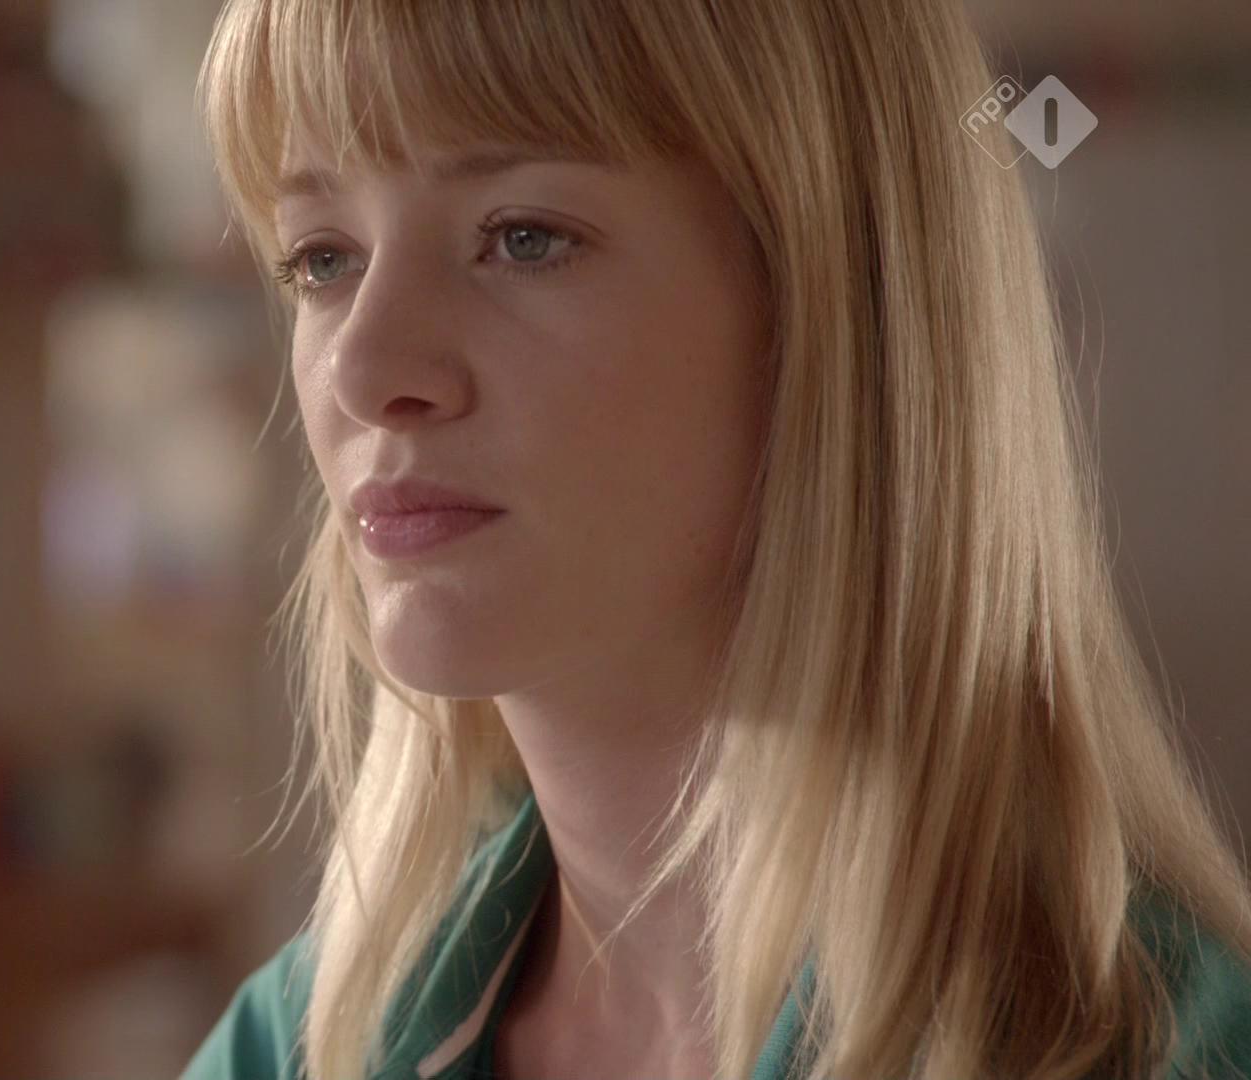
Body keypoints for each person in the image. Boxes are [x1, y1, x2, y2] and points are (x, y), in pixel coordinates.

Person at [182, 2, 1251, 1079]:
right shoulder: (295, 1047)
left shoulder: (1166, 1053)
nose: (363, 371)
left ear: (846, 303)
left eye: (523, 237)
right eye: (322, 258)